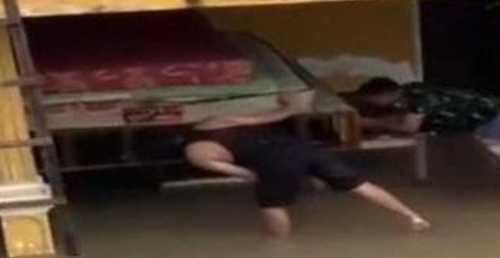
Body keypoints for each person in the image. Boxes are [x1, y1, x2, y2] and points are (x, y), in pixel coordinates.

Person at [184, 91, 430, 237]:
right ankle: (413, 217)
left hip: (273, 160)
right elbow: (268, 117)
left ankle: (279, 246)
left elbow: (247, 174)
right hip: (301, 146)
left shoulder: (195, 154)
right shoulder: (212, 121)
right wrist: (288, 106)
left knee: (271, 204)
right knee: (360, 185)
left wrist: (271, 184)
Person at [344, 77, 500, 139]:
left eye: (372, 101)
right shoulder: (409, 90)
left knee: (496, 156)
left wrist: (368, 123)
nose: (372, 105)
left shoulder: (418, 97)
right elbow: (403, 118)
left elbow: (408, 126)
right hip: (487, 114)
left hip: (494, 115)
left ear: (382, 95)